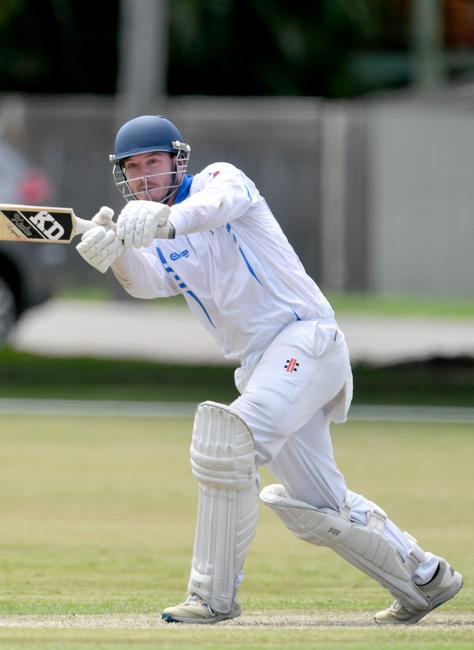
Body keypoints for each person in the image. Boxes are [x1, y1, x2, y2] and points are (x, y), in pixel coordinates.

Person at [76, 115, 463, 625]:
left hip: (307, 338)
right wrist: (112, 253)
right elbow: (147, 282)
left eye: (154, 162)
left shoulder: (221, 180)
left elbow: (211, 211)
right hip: (265, 367)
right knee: (318, 507)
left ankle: (211, 597)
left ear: (178, 160)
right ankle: (424, 577)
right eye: (134, 168)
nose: (145, 176)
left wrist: (163, 222)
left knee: (226, 443)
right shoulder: (157, 233)